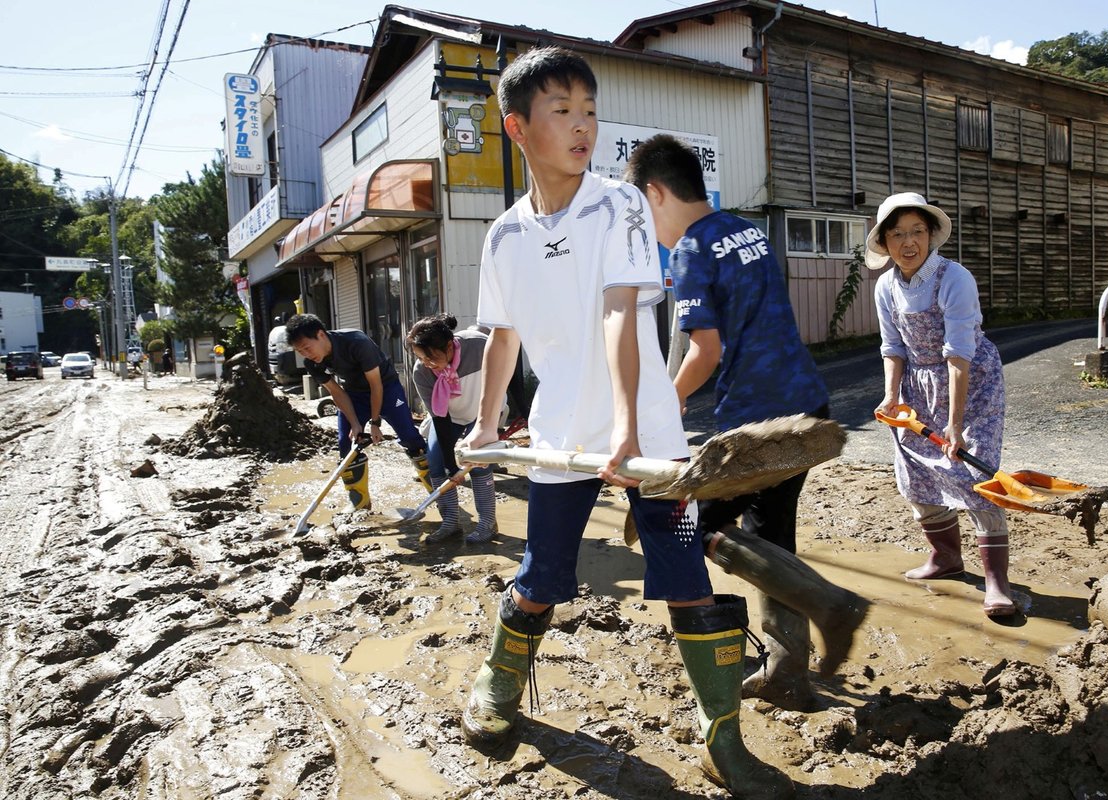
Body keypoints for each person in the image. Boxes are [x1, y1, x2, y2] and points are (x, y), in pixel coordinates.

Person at [459, 47, 793, 798]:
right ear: (518, 127)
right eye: (561, 111)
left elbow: (619, 312)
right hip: (558, 442)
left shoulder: (617, 205)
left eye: (589, 109)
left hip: (651, 444)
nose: (582, 125)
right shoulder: (503, 238)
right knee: (542, 576)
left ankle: (723, 742)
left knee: (684, 576)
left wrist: (629, 430)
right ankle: (498, 686)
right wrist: (484, 427)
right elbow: (503, 338)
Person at [626, 134, 869, 713]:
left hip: (755, 426)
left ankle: (831, 604)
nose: (647, 229)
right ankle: (788, 672)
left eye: (642, 211)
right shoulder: (748, 231)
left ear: (656, 194)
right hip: (808, 407)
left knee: (685, 524)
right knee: (769, 537)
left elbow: (703, 352)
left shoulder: (689, 250)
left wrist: (663, 403)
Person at [867, 192, 1015, 617]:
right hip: (917, 384)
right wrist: (892, 396)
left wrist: (953, 423)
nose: (908, 242)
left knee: (974, 471)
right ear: (885, 242)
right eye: (897, 234)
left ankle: (996, 583)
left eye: (916, 231)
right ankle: (946, 558)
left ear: (931, 235)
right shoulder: (886, 286)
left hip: (970, 379)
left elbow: (958, 353)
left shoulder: (955, 278)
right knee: (913, 470)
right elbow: (893, 346)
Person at [285, 314, 431, 512]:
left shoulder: (356, 341)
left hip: (387, 388)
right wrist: (355, 423)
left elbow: (376, 385)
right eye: (299, 351)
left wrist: (375, 422)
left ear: (320, 335)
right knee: (346, 444)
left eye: (307, 347)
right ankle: (360, 503)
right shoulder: (312, 363)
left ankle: (438, 489)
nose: (305, 354)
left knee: (410, 438)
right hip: (354, 394)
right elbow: (337, 392)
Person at [406, 314, 500, 544]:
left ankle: (488, 522)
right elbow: (440, 419)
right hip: (450, 417)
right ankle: (450, 522)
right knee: (436, 461)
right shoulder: (422, 372)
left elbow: (505, 372)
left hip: (482, 414)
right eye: (421, 357)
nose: (427, 363)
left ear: (449, 346)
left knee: (476, 463)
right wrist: (450, 464)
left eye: (431, 357)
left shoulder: (477, 346)